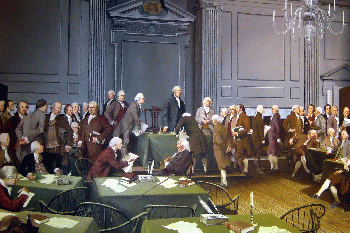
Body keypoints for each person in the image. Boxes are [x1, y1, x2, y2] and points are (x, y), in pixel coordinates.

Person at [44, 101, 73, 170]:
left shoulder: (62, 119)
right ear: (53, 108)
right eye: (58, 108)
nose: (60, 110)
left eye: (60, 108)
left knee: (58, 168)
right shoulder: (45, 118)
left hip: (57, 148)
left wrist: (68, 144)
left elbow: (70, 131)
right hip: (46, 147)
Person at [212, 114, 231, 186]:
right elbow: (229, 137)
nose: (212, 121)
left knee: (221, 166)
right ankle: (223, 181)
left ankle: (224, 182)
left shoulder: (216, 128)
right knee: (222, 165)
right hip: (224, 148)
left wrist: (221, 145)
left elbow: (218, 140)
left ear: (215, 121)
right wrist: (227, 146)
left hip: (218, 149)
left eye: (213, 120)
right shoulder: (224, 127)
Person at [232, 104, 250, 175]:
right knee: (241, 156)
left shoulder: (245, 117)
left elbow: (247, 129)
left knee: (239, 155)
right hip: (238, 139)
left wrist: (238, 133)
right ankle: (244, 171)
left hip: (242, 140)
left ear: (241, 109)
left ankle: (244, 171)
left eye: (237, 108)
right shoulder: (237, 116)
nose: (236, 109)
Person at [267, 105, 282, 171]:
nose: (272, 110)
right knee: (271, 151)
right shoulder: (275, 116)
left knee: (272, 152)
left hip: (273, 137)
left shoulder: (276, 116)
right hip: (272, 136)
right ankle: (273, 166)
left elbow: (278, 128)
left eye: (273, 109)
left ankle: (274, 167)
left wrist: (277, 137)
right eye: (271, 108)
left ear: (276, 109)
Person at [251, 105, 265, 174]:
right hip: (258, 138)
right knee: (258, 152)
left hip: (254, 137)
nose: (264, 110)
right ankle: (258, 168)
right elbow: (260, 130)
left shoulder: (254, 117)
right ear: (261, 110)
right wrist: (263, 139)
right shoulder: (260, 118)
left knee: (256, 152)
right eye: (263, 109)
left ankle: (258, 166)